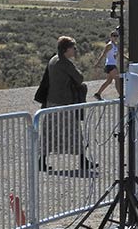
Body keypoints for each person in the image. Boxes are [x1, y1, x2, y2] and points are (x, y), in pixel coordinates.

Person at [42, 36, 95, 173]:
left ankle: (41, 160)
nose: (75, 50)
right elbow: (79, 78)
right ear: (66, 49)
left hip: (52, 102)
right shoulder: (65, 63)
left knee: (50, 133)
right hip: (64, 104)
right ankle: (83, 161)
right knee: (75, 133)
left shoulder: (53, 60)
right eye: (73, 47)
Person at [93, 31, 122, 100]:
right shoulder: (109, 45)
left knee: (109, 81)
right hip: (110, 65)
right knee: (117, 79)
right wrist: (97, 63)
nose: (115, 37)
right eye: (114, 36)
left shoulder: (116, 45)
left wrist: (127, 57)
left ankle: (98, 94)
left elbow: (120, 53)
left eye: (116, 36)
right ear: (111, 37)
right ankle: (121, 95)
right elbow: (103, 54)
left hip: (113, 64)